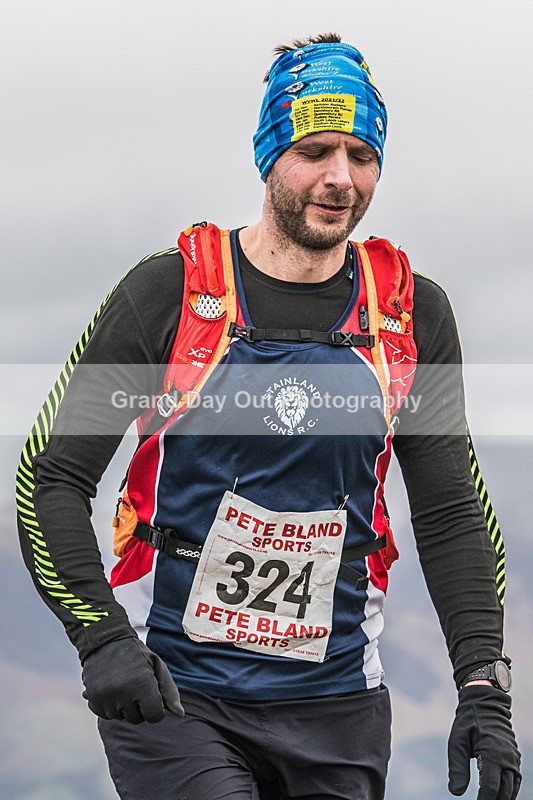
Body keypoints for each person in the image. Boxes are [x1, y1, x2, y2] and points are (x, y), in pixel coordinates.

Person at [16, 32, 521, 800]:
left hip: (340, 699)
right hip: (176, 689)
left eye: (361, 155)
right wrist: (102, 639)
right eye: (315, 150)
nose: (340, 179)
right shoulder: (170, 292)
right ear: (269, 154)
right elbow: (50, 475)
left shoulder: (409, 312)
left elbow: (450, 511)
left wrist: (482, 682)